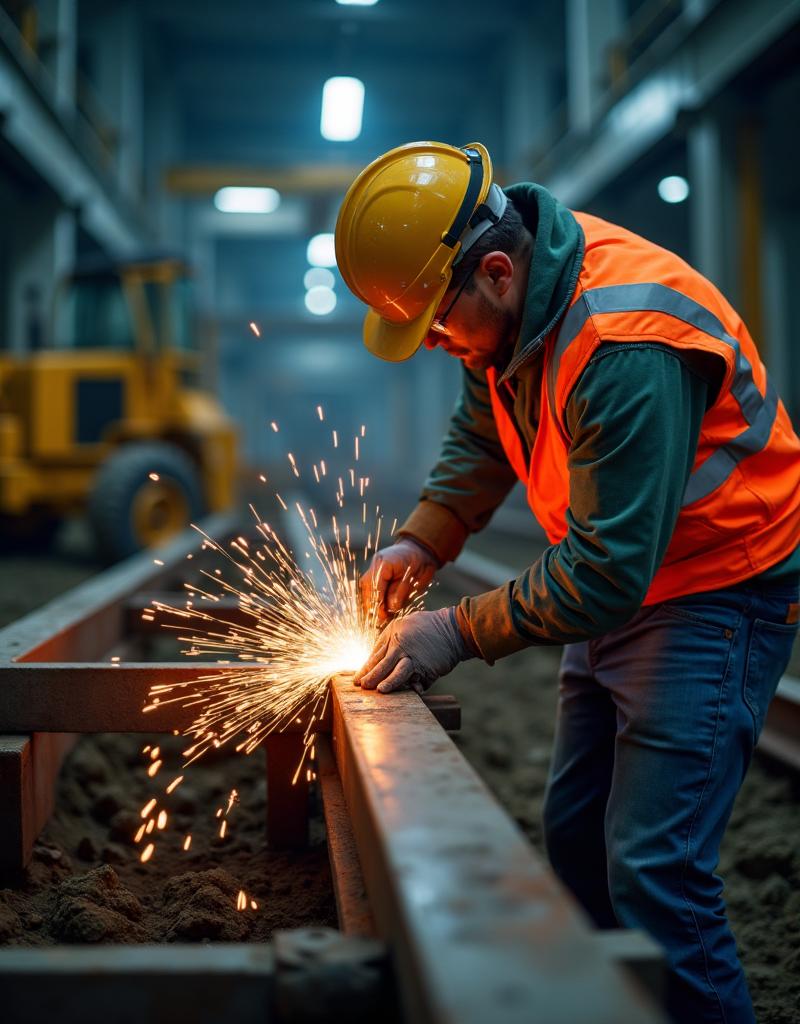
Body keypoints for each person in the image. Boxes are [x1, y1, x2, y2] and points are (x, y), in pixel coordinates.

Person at [334, 141, 800, 1023]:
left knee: (654, 870)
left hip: (712, 592)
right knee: (577, 838)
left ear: (498, 272)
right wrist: (424, 541)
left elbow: (603, 573)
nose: (435, 346)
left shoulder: (624, 345)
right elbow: (483, 430)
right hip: (626, 579)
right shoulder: (510, 315)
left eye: (435, 324)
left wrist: (456, 630)